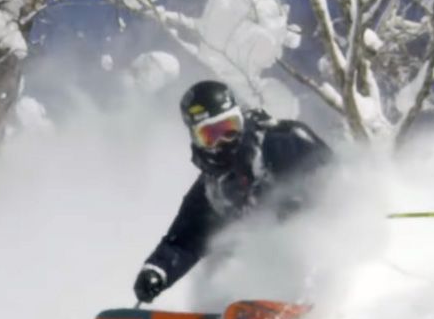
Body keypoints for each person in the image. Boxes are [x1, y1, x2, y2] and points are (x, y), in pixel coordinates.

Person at [133, 80, 333, 305]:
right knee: (221, 252)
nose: (223, 141)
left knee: (284, 233)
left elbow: (333, 179)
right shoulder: (213, 186)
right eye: (210, 135)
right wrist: (157, 270)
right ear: (196, 139)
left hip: (322, 246)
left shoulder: (282, 140)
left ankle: (308, 293)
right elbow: (185, 238)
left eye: (229, 128)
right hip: (265, 266)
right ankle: (227, 314)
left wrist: (298, 207)